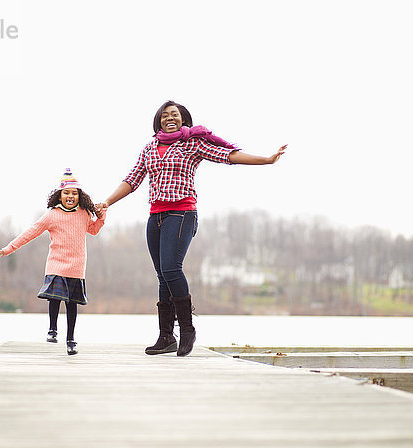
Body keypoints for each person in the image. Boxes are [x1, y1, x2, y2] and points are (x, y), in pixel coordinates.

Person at [96, 100, 286, 357]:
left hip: (182, 213)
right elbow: (132, 180)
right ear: (158, 120)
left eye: (174, 114)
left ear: (184, 119)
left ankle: (187, 330)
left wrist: (266, 160)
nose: (169, 118)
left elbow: (227, 156)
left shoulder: (193, 143)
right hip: (156, 217)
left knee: (172, 269)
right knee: (162, 275)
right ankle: (166, 337)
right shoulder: (150, 147)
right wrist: (107, 201)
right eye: (165, 115)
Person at [0, 169, 105, 355]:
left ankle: (71, 340)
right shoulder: (51, 215)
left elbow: (93, 230)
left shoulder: (84, 213)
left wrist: (101, 217)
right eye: (66, 193)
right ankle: (52, 329)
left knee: (72, 304)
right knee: (54, 297)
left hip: (77, 266)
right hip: (56, 263)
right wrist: (9, 248)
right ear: (59, 196)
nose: (70, 196)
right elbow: (30, 232)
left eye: (74, 193)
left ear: (80, 196)